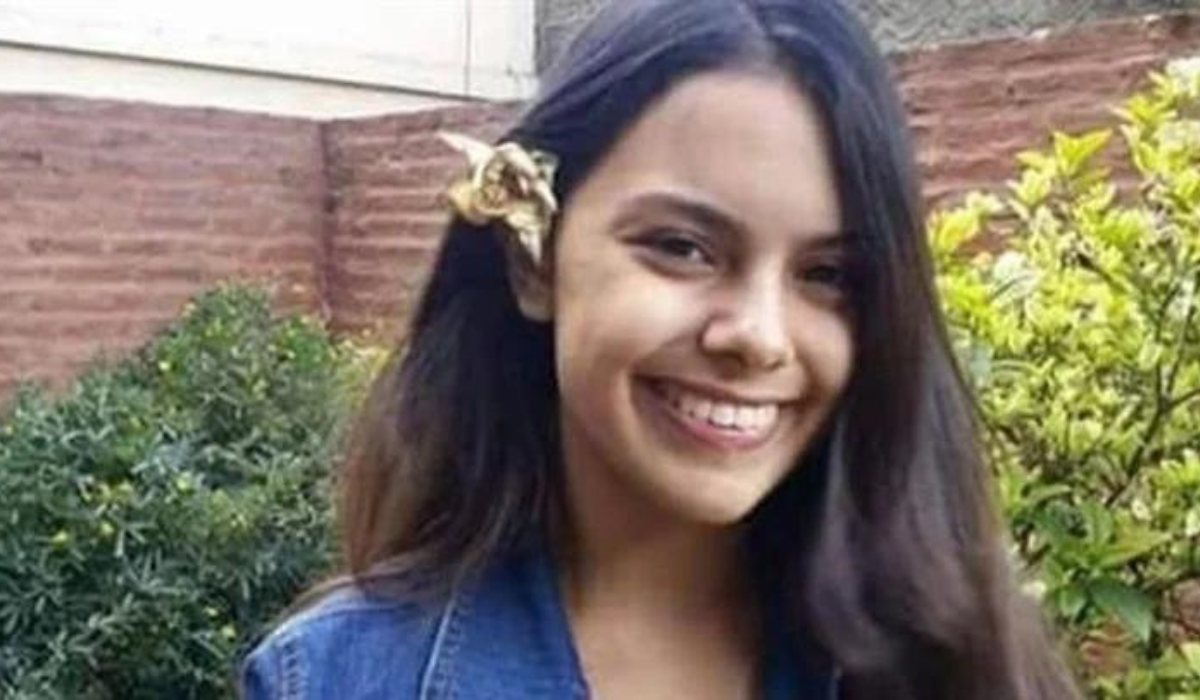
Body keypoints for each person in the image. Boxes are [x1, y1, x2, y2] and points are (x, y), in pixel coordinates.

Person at [240, 0, 1081, 697]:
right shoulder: (339, 680)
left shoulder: (957, 668)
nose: (757, 336)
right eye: (682, 247)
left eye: (827, 274)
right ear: (533, 262)